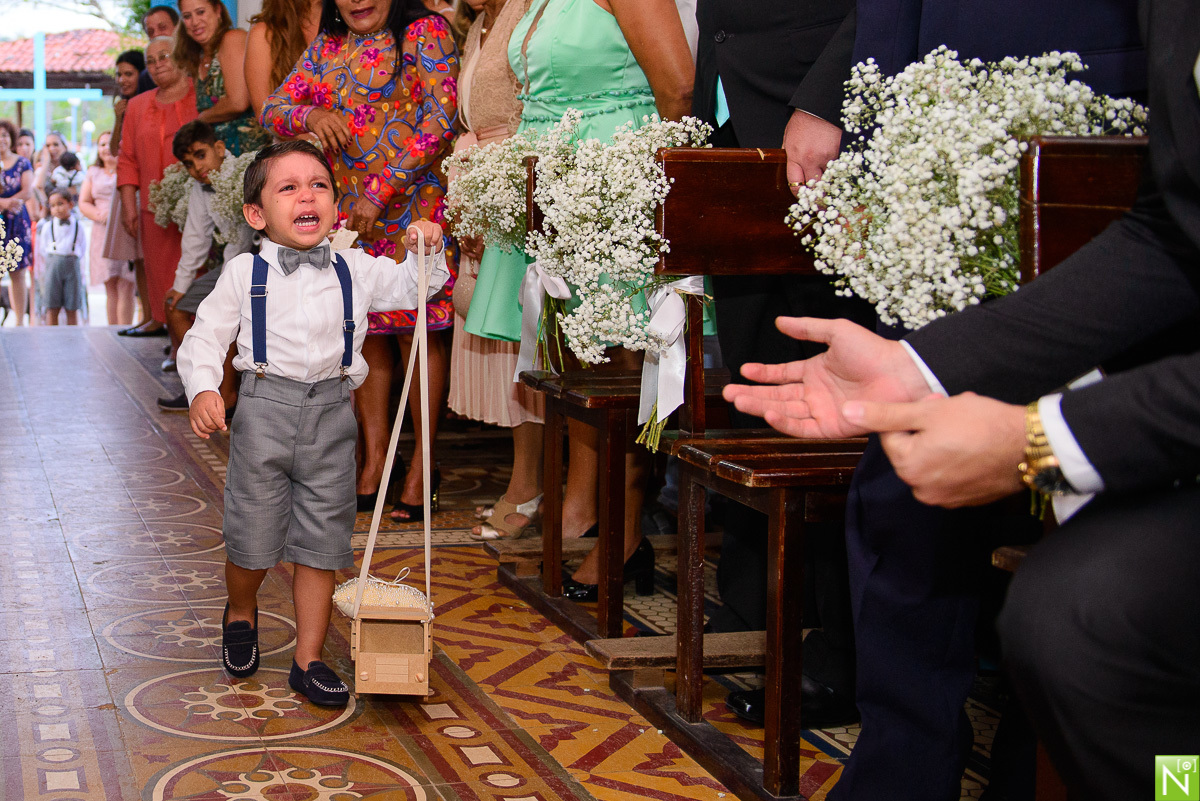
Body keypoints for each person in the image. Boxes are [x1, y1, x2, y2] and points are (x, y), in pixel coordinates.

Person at [722, 3, 1194, 798]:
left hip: (1056, 100)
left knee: (1086, 623)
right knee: (1051, 606)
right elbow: (1174, 237)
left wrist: (1037, 441)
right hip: (931, 118)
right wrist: (923, 367)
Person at [177, 141, 449, 705]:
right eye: (289, 187)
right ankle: (243, 609)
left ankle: (308, 658)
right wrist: (205, 386)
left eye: (319, 185)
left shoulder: (355, 266)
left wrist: (426, 249)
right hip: (262, 413)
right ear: (257, 214)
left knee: (322, 542)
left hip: (332, 416)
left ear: (335, 204)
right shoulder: (243, 272)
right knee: (252, 538)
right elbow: (206, 334)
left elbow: (414, 288)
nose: (307, 195)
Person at [690, 0, 871, 730]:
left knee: (829, 395)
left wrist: (827, 98)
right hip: (737, 123)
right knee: (755, 381)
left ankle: (840, 649)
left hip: (816, 117)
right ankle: (766, 611)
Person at [464, 0, 686, 592]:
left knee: (627, 359)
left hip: (615, 177)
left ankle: (626, 526)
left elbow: (679, 90)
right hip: (560, 183)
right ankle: (583, 507)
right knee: (581, 360)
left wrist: (653, 192)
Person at [259, 0, 460, 522]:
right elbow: (272, 107)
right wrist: (313, 114)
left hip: (414, 203)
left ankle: (422, 464)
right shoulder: (330, 42)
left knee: (418, 329)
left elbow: (439, 119)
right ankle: (374, 461)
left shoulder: (424, 31)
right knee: (365, 327)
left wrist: (381, 189)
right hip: (351, 211)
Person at [444, 0, 546, 541]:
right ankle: (527, 477)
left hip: (516, 182)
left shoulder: (528, 11)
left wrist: (496, 193)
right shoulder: (479, 23)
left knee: (523, 338)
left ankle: (532, 482)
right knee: (506, 343)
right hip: (482, 179)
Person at [158, 120, 256, 411]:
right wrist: (180, 285)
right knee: (174, 306)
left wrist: (225, 293)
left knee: (227, 317)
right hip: (230, 266)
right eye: (188, 163)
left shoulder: (244, 174)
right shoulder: (201, 190)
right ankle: (198, 388)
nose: (197, 168)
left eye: (201, 155)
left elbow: (241, 241)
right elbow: (195, 240)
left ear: (219, 148)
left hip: (254, 262)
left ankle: (227, 397)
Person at [117, 36, 199, 338]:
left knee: (197, 278)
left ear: (179, 56)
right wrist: (129, 207)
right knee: (162, 278)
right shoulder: (137, 106)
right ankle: (178, 348)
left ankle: (199, 351)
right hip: (154, 212)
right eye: (150, 61)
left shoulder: (201, 96)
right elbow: (127, 160)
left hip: (198, 206)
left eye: (164, 56)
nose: (157, 65)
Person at [175, 0, 272, 155]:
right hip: (223, 162)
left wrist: (201, 118)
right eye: (187, 16)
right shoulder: (198, 60)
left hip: (252, 154)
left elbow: (238, 102)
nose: (194, 22)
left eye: (200, 12)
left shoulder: (232, 38)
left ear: (218, 10)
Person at [79, 131, 135, 327]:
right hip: (101, 232)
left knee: (127, 283)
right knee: (109, 283)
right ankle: (113, 329)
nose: (105, 148)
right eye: (101, 144)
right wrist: (100, 215)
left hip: (124, 229)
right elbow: (84, 202)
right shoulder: (93, 172)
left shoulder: (127, 168)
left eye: (108, 144)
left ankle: (126, 326)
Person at [244, 0, 323, 122]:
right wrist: (313, 139)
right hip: (291, 137)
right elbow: (263, 111)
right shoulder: (264, 33)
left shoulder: (349, 24)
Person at [0, 119, 34, 327]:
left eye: (4, 135)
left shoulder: (22, 163)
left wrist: (11, 203)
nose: (1, 139)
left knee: (18, 273)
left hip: (17, 223)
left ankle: (20, 321)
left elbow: (28, 190)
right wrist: (3, 203)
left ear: (10, 138)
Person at [37, 188, 86, 326]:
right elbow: (43, 248)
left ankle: (72, 335)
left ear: (70, 204)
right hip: (53, 264)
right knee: (52, 305)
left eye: (60, 204)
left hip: (72, 264)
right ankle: (51, 333)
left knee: (72, 305)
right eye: (52, 206)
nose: (57, 209)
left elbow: (82, 247)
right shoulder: (48, 226)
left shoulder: (78, 226)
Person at [137, 6, 182, 94]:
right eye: (151, 32)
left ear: (178, 28)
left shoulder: (197, 63)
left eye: (162, 28)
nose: (157, 34)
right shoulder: (146, 77)